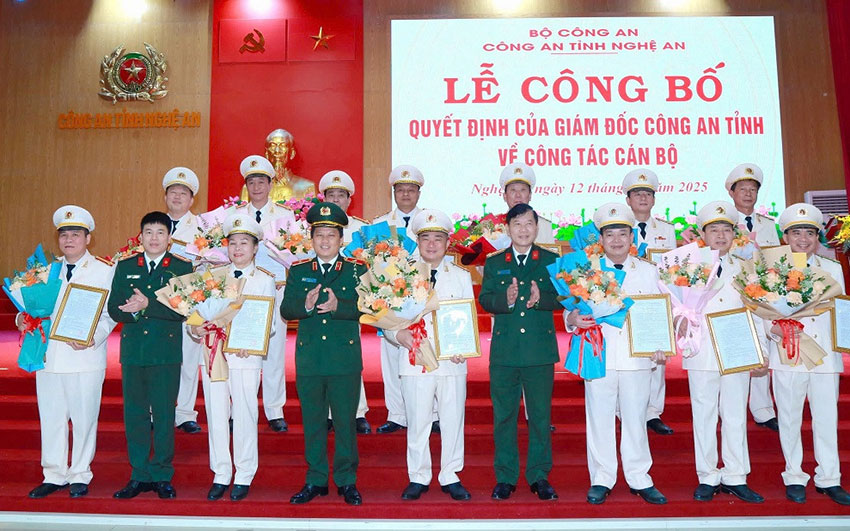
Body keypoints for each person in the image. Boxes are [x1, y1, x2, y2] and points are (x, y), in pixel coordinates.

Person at [566, 202, 667, 506]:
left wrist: (661, 343)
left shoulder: (649, 271)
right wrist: (572, 320)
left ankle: (639, 477)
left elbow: (661, 309)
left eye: (623, 233)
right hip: (599, 352)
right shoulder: (585, 271)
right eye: (610, 234)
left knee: (636, 417)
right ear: (601, 238)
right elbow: (572, 310)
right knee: (599, 417)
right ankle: (602, 477)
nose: (617, 240)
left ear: (632, 236)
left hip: (637, 356)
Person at [23, 206, 116, 499]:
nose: (69, 239)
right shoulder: (42, 272)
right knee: (51, 416)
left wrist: (94, 337)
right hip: (49, 356)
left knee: (85, 417)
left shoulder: (104, 270)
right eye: (64, 234)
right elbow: (28, 308)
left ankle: (79, 473)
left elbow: (110, 314)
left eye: (76, 234)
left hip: (84, 356)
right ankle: (53, 473)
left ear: (88, 238)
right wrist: (21, 319)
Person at [383, 209, 473, 501]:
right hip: (414, 359)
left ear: (448, 243)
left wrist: (463, 346)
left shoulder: (460, 277)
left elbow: (467, 318)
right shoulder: (400, 275)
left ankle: (451, 474)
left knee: (451, 419)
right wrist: (399, 335)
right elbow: (384, 318)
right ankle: (418, 476)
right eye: (425, 238)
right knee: (418, 420)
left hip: (451, 361)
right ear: (417, 242)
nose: (432, 244)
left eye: (438, 238)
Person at [281, 202, 367, 505]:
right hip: (310, 360)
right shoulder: (300, 270)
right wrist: (305, 306)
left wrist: (338, 307)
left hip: (344, 359)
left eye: (331, 234)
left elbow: (368, 307)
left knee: (345, 423)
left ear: (341, 238)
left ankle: (346, 480)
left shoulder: (358, 270)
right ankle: (315, 479)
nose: (325, 241)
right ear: (311, 238)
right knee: (313, 422)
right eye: (320, 235)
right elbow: (285, 309)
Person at [768, 203, 850, 506]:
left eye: (809, 233)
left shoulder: (833, 268)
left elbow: (840, 310)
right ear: (786, 237)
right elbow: (759, 307)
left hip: (825, 353)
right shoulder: (771, 269)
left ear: (817, 237)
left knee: (827, 419)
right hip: (788, 352)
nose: (803, 238)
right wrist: (772, 328)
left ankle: (830, 478)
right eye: (796, 232)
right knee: (789, 419)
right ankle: (794, 475)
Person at [685, 201, 766, 504]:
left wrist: (761, 351)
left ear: (734, 234)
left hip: (738, 347)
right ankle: (707, 475)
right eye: (713, 229)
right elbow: (678, 310)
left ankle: (735, 475)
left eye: (726, 229)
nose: (720, 235)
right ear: (702, 234)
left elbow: (757, 311)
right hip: (701, 350)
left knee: (734, 415)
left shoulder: (746, 268)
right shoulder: (688, 267)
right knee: (703, 415)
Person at [108, 211, 193, 499]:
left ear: (169, 238)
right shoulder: (126, 266)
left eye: (160, 232)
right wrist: (133, 310)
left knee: (165, 414)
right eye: (148, 232)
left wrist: (147, 305)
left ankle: (162, 474)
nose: (154, 238)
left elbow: (185, 309)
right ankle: (139, 474)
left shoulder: (182, 267)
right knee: (135, 415)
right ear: (140, 236)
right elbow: (113, 308)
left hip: (165, 352)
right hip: (133, 351)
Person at [191, 214, 276, 502]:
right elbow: (195, 316)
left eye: (245, 243)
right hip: (213, 352)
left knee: (244, 413)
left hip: (245, 356)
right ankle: (221, 471)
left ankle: (244, 473)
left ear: (255, 248)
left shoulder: (265, 280)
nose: (238, 248)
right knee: (215, 413)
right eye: (233, 243)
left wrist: (253, 342)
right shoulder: (212, 278)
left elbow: (271, 323)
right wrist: (195, 327)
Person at [479, 203, 560, 501]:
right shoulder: (494, 262)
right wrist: (507, 299)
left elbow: (565, 298)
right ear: (508, 228)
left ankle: (539, 476)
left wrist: (543, 299)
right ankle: (506, 476)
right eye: (517, 224)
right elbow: (486, 299)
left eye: (529, 224)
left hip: (539, 351)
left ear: (537, 227)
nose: (523, 229)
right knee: (504, 416)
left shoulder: (552, 260)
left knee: (540, 416)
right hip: (505, 352)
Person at [228, 155, 296, 433]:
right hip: (240, 289)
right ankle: (238, 408)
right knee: (237, 348)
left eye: (261, 182)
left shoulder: (285, 215)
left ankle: (274, 409)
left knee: (273, 352)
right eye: (251, 182)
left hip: (275, 289)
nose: (256, 186)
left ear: (270, 185)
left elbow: (294, 251)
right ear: (246, 186)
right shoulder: (233, 216)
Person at [372, 165, 437, 435]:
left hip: (424, 298)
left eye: (411, 189)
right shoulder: (379, 225)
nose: (406, 194)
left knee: (429, 349)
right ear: (394, 192)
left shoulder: (431, 220)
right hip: (392, 299)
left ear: (419, 192)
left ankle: (432, 415)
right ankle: (397, 414)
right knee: (391, 357)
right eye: (401, 189)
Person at [622, 169, 676, 436]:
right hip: (622, 299)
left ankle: (653, 412)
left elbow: (674, 268)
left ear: (654, 199)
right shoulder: (617, 228)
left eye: (647, 194)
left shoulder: (667, 230)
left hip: (655, 300)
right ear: (628, 199)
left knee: (657, 360)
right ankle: (623, 410)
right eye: (637, 194)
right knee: (625, 358)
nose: (642, 198)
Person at [726, 163, 779, 432]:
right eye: (742, 189)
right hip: (732, 294)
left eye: (752, 189)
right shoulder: (723, 222)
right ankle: (732, 405)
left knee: (763, 347)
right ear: (731, 192)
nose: (748, 194)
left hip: (762, 294)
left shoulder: (768, 225)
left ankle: (763, 410)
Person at [318, 169, 371, 434]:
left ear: (349, 199)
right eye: (331, 195)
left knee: (351, 356)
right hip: (318, 302)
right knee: (324, 356)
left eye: (341, 195)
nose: (336, 200)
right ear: (323, 198)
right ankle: (327, 413)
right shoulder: (314, 228)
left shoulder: (362, 230)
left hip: (350, 302)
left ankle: (357, 411)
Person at [162, 167, 206, 435]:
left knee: (189, 358)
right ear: (165, 196)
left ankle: (185, 413)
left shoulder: (202, 227)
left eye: (183, 193)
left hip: (191, 299)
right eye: (173, 192)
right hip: (158, 302)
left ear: (192, 200)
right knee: (162, 359)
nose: (177, 197)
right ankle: (159, 410)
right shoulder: (154, 225)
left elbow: (209, 265)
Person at [499, 163, 556, 244]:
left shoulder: (544, 226)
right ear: (505, 196)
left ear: (530, 195)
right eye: (513, 190)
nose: (518, 195)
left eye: (523, 190)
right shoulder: (495, 226)